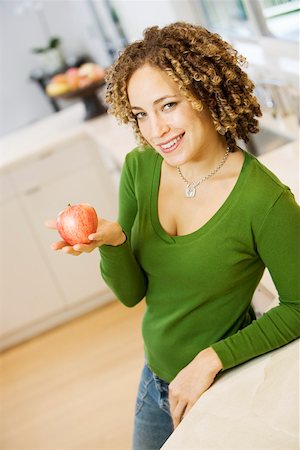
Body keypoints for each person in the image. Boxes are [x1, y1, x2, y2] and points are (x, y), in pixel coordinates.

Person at [48, 22, 300, 450]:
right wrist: (114, 243)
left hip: (223, 383)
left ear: (205, 94)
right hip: (155, 383)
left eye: (168, 105)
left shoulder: (265, 201)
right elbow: (132, 295)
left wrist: (210, 359)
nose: (155, 130)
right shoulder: (139, 168)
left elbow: (298, 306)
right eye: (142, 114)